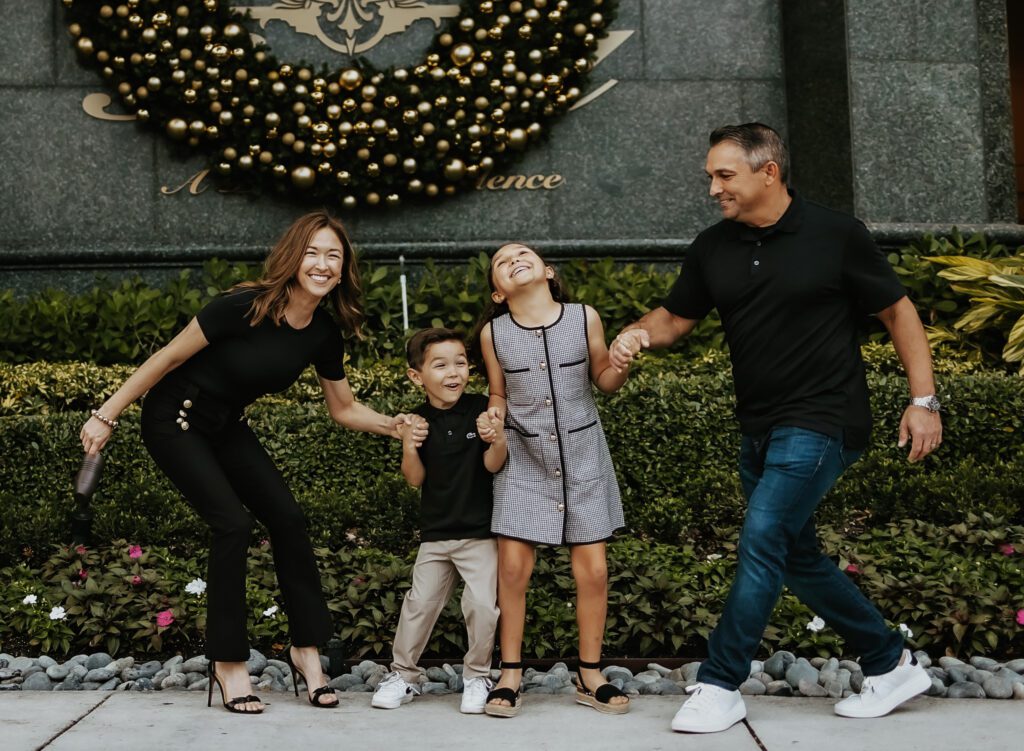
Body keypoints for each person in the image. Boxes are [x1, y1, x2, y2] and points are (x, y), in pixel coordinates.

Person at [609, 123, 941, 733]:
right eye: (710, 175)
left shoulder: (836, 234)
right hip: (758, 425)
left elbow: (897, 310)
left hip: (823, 418)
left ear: (769, 172)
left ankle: (720, 682)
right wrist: (635, 334)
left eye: (724, 175)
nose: (713, 188)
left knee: (762, 538)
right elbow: (676, 317)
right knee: (795, 554)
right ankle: (891, 665)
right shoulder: (715, 246)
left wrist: (924, 399)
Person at [79, 210, 417, 714]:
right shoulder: (242, 307)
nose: (323, 264)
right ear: (293, 257)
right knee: (233, 525)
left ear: (344, 269)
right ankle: (229, 663)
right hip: (176, 417)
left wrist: (393, 424)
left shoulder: (322, 332)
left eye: (334, 256)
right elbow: (168, 358)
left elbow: (343, 408)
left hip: (227, 425)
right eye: (313, 252)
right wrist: (106, 414)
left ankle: (306, 651)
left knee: (288, 518)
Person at [475, 243, 632, 717]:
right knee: (513, 571)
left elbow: (603, 378)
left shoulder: (584, 317)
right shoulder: (493, 334)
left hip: (583, 456)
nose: (515, 259)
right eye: (502, 262)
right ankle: (510, 674)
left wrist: (620, 364)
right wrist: (493, 418)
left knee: (595, 571)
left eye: (524, 254)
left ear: (547, 270)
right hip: (522, 456)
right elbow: (497, 391)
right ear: (498, 292)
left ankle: (590, 674)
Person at [371, 328, 506, 714]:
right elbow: (414, 478)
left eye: (460, 363)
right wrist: (409, 445)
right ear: (417, 376)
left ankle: (478, 675)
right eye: (441, 364)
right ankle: (403, 675)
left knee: (481, 604)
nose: (454, 372)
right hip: (435, 534)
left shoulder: (481, 409)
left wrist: (497, 438)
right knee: (419, 604)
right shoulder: (419, 421)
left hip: (479, 534)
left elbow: (493, 465)